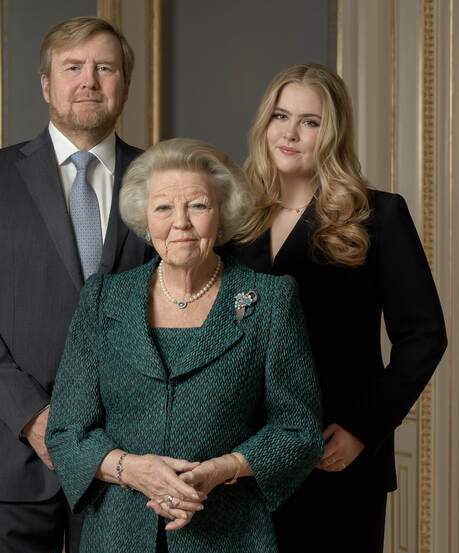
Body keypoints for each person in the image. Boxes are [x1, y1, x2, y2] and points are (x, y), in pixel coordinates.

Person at [44, 138, 324, 553]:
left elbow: (299, 432)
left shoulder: (270, 301)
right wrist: (133, 470)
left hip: (230, 535)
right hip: (117, 536)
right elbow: (66, 433)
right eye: (163, 208)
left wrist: (221, 469)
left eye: (198, 205)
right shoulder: (104, 300)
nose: (181, 223)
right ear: (144, 219)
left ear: (222, 214)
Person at [0, 16, 146, 553]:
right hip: (10, 449)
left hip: (125, 453)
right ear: (47, 84)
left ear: (124, 82)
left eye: (105, 68)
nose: (89, 81)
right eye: (72, 67)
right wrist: (35, 418)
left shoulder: (160, 180)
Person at [224, 63, 448, 552]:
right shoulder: (231, 219)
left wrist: (363, 431)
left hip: (336, 451)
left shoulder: (379, 215)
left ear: (333, 132)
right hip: (244, 455)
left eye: (310, 121)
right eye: (280, 116)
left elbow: (424, 336)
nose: (290, 133)